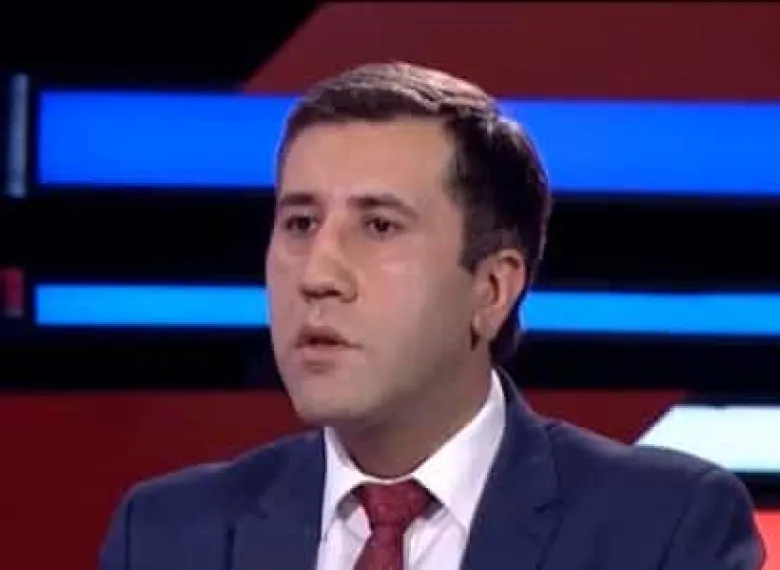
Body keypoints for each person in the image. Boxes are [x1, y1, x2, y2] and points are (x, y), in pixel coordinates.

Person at [99, 62, 765, 570]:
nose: (317, 275)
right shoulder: (166, 536)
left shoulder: (663, 530)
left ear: (492, 289)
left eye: (379, 226)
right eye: (300, 223)